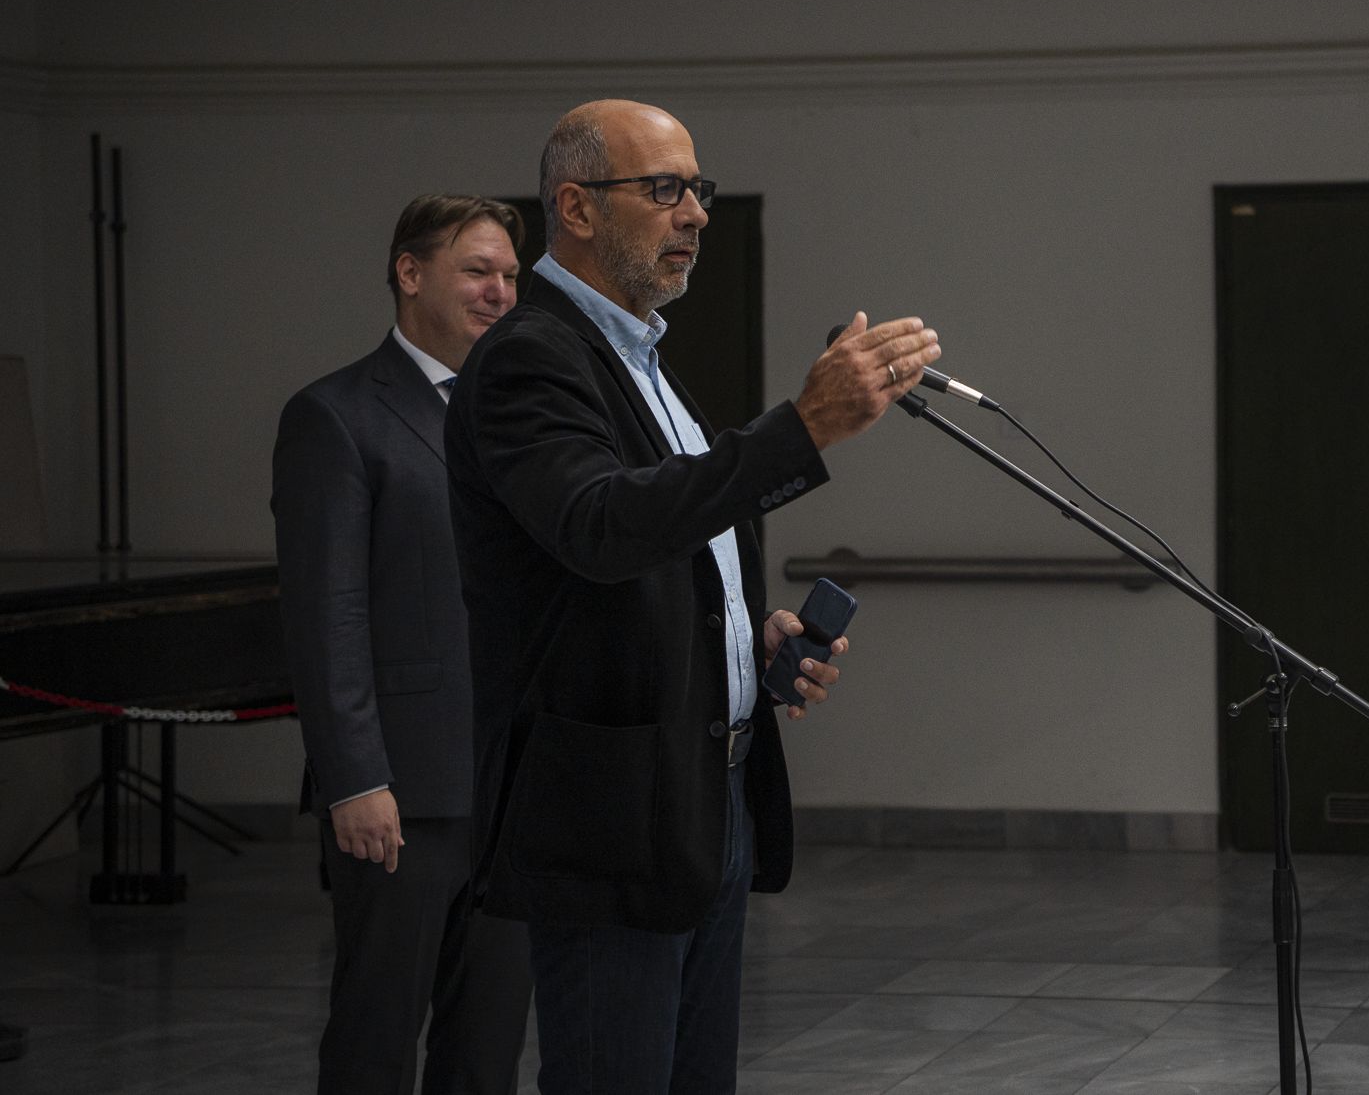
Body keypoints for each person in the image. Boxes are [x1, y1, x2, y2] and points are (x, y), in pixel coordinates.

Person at [444, 99, 938, 1095]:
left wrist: (751, 640)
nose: (697, 213)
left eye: (698, 189)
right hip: (610, 814)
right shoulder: (529, 358)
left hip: (704, 795)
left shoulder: (647, 363)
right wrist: (801, 427)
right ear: (576, 208)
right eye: (664, 189)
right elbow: (599, 526)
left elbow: (670, 546)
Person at [272, 195, 533, 1095]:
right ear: (409, 273)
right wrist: (353, 778)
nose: (500, 292)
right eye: (477, 271)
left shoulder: (521, 416)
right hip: (399, 795)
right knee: (376, 1039)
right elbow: (327, 615)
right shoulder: (335, 415)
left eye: (510, 275)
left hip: (511, 788)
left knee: (488, 1047)